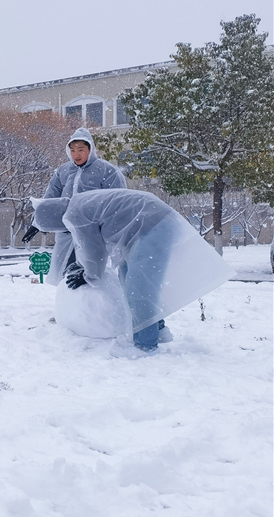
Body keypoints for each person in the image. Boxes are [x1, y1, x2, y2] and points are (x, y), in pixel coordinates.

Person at [32, 189, 235, 356]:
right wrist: (86, 267)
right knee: (127, 278)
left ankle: (145, 346)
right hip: (148, 224)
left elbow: (93, 250)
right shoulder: (78, 204)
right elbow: (90, 243)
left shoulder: (74, 214)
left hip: (151, 226)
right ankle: (157, 329)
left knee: (140, 290)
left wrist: (88, 275)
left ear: (54, 220)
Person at [22, 127, 127, 285]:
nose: (76, 155)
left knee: (88, 275)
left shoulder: (107, 171)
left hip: (92, 234)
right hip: (65, 233)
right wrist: (38, 221)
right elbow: (49, 199)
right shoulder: (63, 172)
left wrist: (112, 233)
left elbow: (117, 203)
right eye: (72, 150)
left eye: (80, 150)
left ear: (90, 149)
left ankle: (89, 308)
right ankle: (69, 308)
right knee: (63, 276)